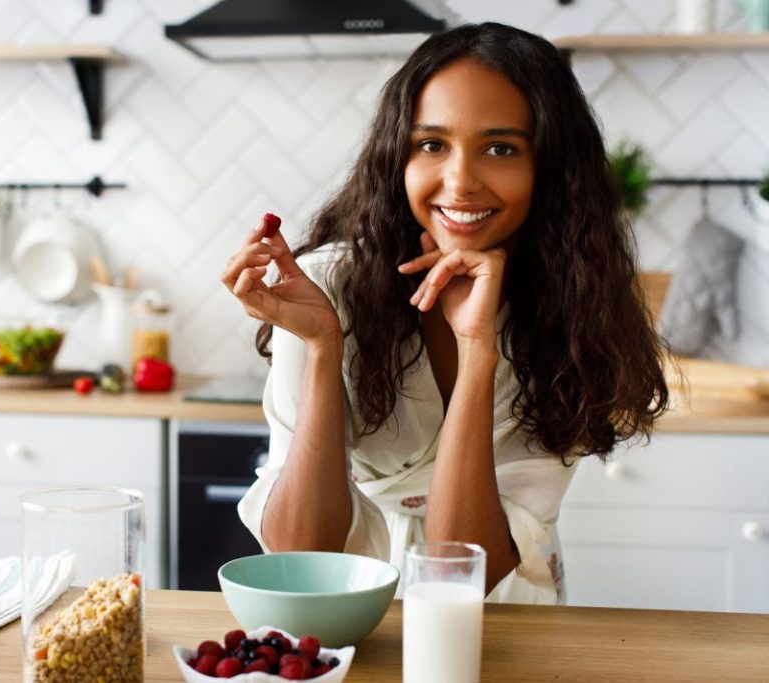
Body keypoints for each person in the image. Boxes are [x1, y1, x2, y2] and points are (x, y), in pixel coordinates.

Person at [220, 22, 669, 604]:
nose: (459, 182)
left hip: (508, 619)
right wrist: (324, 346)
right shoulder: (327, 285)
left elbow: (469, 572)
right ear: (398, 156)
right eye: (432, 145)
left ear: (549, 168)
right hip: (351, 608)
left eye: (500, 148)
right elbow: (301, 553)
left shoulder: (575, 311)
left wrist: (478, 350)